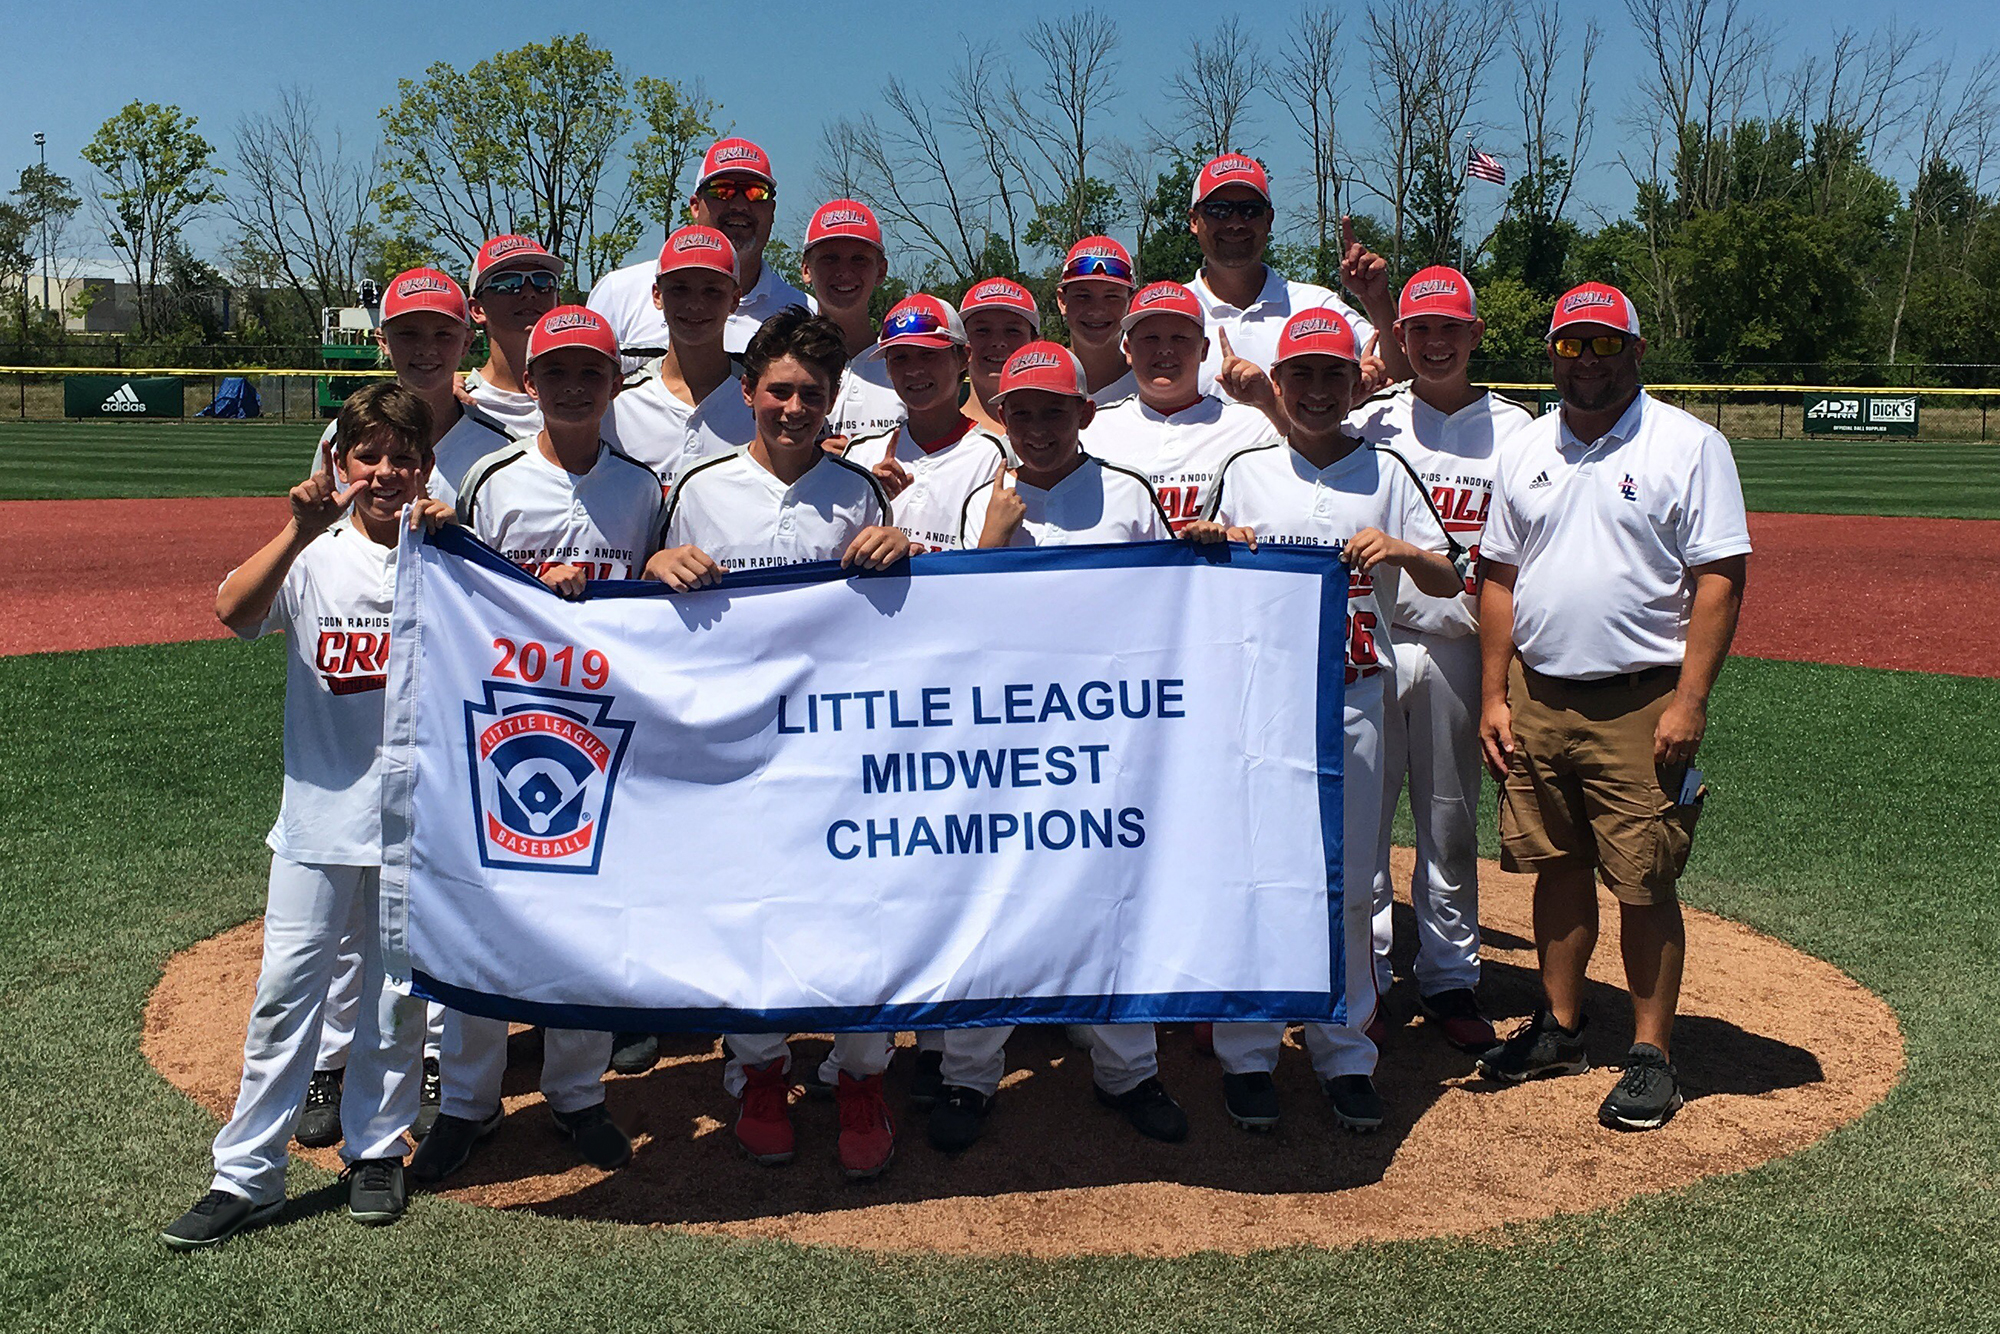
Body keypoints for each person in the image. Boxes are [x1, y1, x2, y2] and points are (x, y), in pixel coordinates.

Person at [160, 384, 454, 1250]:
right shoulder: (314, 557)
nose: (387, 472)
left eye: (404, 455)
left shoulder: (448, 553)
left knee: (397, 999)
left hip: (416, 826)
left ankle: (376, 1148)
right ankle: (245, 1174)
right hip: (320, 820)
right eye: (369, 455)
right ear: (340, 464)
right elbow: (232, 612)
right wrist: (294, 527)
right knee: (287, 994)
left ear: (426, 465)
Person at [1475, 282, 1751, 1131]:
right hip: (1540, 695)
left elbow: (1719, 579)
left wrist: (1691, 700)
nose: (1584, 360)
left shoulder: (1689, 444)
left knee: (1642, 879)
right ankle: (1560, 1027)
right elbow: (1498, 576)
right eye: (1569, 345)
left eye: (1602, 344)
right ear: (1552, 353)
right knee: (1554, 865)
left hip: (1642, 701)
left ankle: (1652, 1054)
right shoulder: (1525, 445)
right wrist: (1493, 691)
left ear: (1636, 350)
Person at [643, 306, 910, 1179]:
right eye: (781, 391)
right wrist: (653, 570)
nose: (795, 408)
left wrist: (900, 548)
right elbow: (650, 621)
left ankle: (862, 1074)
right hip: (734, 745)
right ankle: (758, 1069)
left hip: (838, 749)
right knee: (745, 912)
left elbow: (890, 623)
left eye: (814, 395)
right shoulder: (700, 488)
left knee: (856, 913)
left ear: (834, 402)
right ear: (750, 391)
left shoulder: (857, 492)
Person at [1187, 308, 1461, 1135]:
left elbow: (1451, 575)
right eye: (1299, 375)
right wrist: (1205, 540)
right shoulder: (1243, 466)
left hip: (1353, 695)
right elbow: (1190, 570)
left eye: (1331, 376)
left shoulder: (1384, 468)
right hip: (1259, 706)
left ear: (1355, 384)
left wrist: (1404, 552)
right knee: (1259, 877)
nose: (1313, 390)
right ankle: (1251, 1053)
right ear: (1278, 384)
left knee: (1349, 883)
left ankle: (1346, 1054)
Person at [411, 306, 660, 1186]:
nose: (573, 386)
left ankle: (576, 1093)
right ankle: (467, 1105)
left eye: (591, 371)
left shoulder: (642, 488)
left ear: (614, 381)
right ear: (536, 382)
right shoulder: (490, 478)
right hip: (500, 726)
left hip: (602, 732)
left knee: (585, 921)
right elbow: (458, 598)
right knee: (487, 915)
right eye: (555, 372)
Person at [931, 342, 1186, 1154]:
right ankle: (967, 1078)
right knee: (993, 902)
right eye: (1020, 411)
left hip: (1107, 736)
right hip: (996, 741)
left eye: (1053, 411)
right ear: (998, 414)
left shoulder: (1128, 495)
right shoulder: (968, 494)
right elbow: (939, 636)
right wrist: (989, 550)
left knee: (1117, 900)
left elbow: (1175, 607)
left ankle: (1129, 1071)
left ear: (1084, 413)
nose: (1036, 427)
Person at [293, 268, 506, 1151]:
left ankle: (432, 1064)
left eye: (442, 334)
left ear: (468, 339)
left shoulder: (494, 444)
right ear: (384, 339)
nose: (425, 348)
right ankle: (335, 1061)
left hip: (456, 698)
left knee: (444, 897)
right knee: (352, 909)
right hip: (365, 696)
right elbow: (322, 555)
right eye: (408, 333)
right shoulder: (343, 438)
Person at [1354, 267, 1533, 1054]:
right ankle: (1368, 974)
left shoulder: (1518, 428)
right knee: (1364, 820)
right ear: (1401, 337)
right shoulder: (1374, 421)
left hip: (1461, 644)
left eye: (1448, 329)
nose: (1432, 343)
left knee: (1448, 824)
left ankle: (1452, 974)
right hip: (1376, 640)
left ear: (1475, 334)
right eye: (1418, 329)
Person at [1184, 153, 1405, 395]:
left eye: (1250, 210)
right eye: (1219, 210)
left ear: (1269, 220)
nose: (1235, 223)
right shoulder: (1168, 313)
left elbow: (1401, 378)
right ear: (1194, 220)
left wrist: (1377, 301)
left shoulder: (1317, 305)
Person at [586, 137, 812, 365]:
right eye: (722, 191)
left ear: (772, 210)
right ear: (695, 206)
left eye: (756, 192)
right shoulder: (619, 293)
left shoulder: (805, 312)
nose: (740, 206)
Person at [1080, 280, 1277, 532]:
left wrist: (1269, 403)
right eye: (1150, 338)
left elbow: (1309, 461)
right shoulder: (1090, 430)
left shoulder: (1252, 425)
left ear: (1204, 350)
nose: (1164, 349)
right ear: (1128, 349)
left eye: (1179, 338)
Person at [601, 225, 758, 504]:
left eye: (712, 291)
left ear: (734, 300)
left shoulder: (760, 403)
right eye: (679, 289)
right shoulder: (617, 403)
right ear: (657, 295)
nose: (695, 304)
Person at [843, 294, 1006, 555]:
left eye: (928, 355)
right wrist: (869, 499)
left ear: (963, 357)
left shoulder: (997, 456)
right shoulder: (859, 452)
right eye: (900, 358)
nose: (914, 370)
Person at [801, 199, 906, 441]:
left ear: (881, 271)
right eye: (830, 258)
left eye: (859, 259)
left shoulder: (904, 364)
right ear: (806, 269)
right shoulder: (785, 364)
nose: (844, 271)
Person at [462, 234, 565, 436]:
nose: (529, 293)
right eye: (508, 283)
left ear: (557, 303)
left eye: (543, 282)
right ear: (477, 310)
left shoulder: (589, 396)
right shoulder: (460, 405)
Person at [1055, 237, 1139, 406]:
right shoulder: (1037, 380)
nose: (1097, 310)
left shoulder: (1151, 388)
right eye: (1083, 296)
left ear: (1131, 302)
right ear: (1062, 301)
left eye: (1112, 296)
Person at [959, 277, 1041, 436]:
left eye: (1012, 331)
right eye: (982, 330)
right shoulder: (940, 436)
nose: (998, 342)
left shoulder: (1066, 432)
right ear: (963, 346)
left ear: (1035, 344)